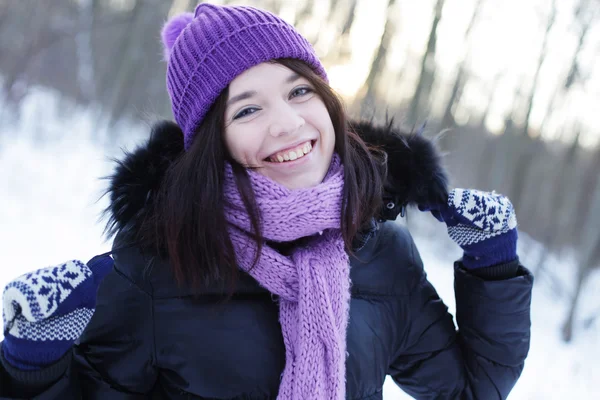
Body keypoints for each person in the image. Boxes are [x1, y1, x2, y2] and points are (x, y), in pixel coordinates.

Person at [0, 3, 533, 399]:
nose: (287, 123)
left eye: (299, 91)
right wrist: (32, 362)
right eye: (247, 110)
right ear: (214, 142)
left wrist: (493, 265)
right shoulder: (160, 265)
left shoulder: (382, 254)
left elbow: (469, 388)